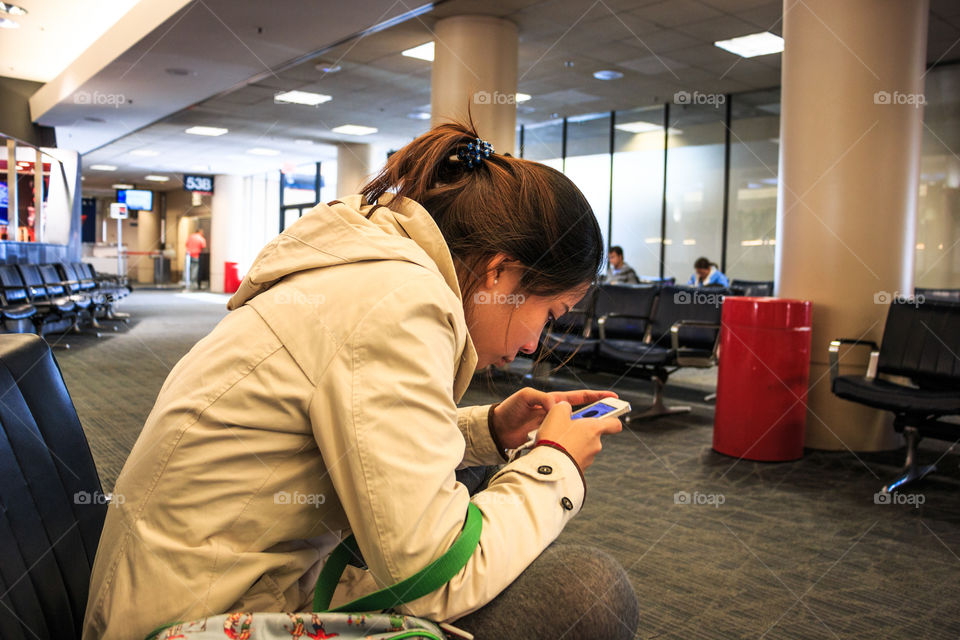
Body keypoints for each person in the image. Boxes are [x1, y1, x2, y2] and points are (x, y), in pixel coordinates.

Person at [83, 122, 639, 640]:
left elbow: (352, 434)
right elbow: (435, 572)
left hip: (184, 591)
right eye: (552, 313)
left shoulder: (365, 268)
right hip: (197, 623)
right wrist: (556, 467)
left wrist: (488, 430)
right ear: (500, 272)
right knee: (590, 592)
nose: (536, 344)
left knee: (472, 487)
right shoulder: (397, 303)